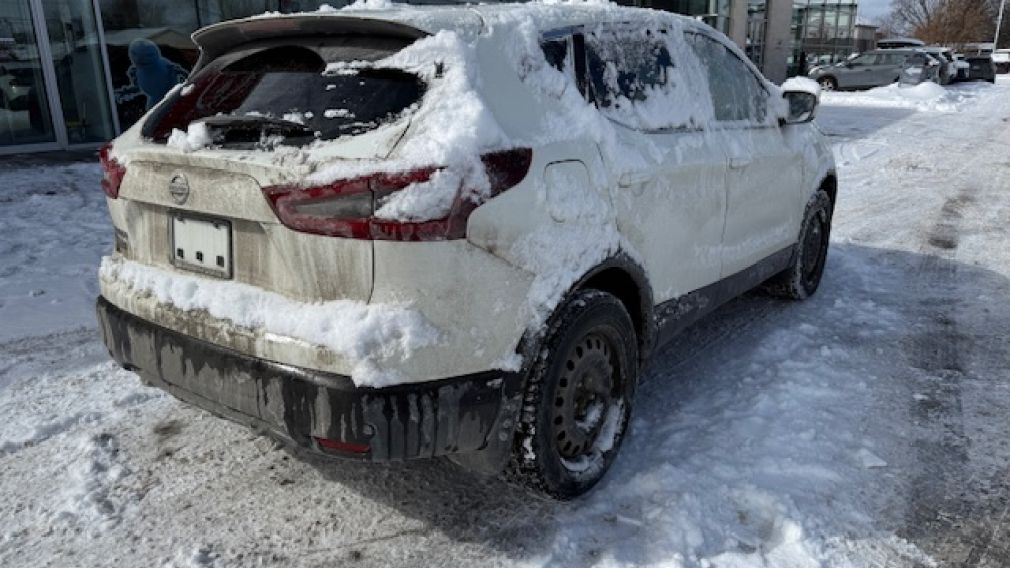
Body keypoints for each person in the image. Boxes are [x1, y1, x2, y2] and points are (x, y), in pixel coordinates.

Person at [115, 39, 188, 110]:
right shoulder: (135, 71)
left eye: (148, 55)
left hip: (172, 100)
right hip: (154, 104)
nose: (141, 59)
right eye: (136, 55)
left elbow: (184, 75)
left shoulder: (167, 66)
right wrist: (125, 92)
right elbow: (137, 87)